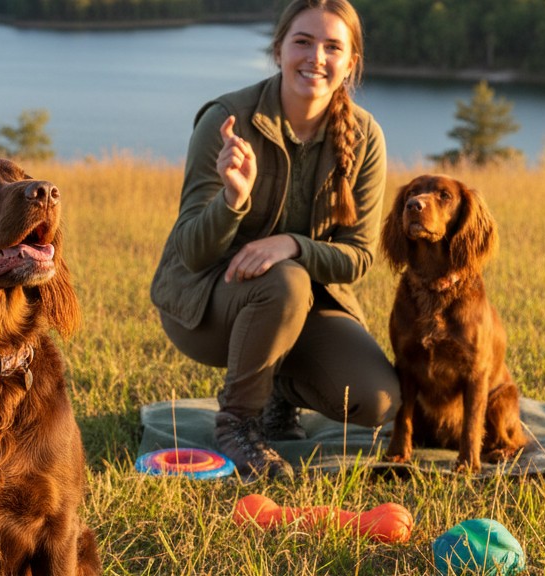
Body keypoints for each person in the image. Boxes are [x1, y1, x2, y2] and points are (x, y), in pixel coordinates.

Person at [150, 0, 400, 478]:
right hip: (206, 306)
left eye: (333, 47)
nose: (316, 58)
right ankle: (238, 424)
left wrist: (292, 245)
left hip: (307, 306)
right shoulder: (226, 120)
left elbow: (360, 256)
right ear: (278, 48)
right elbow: (191, 249)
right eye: (302, 42)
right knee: (285, 283)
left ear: (351, 62)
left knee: (377, 401)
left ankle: (276, 394)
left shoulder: (366, 136)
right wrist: (232, 201)